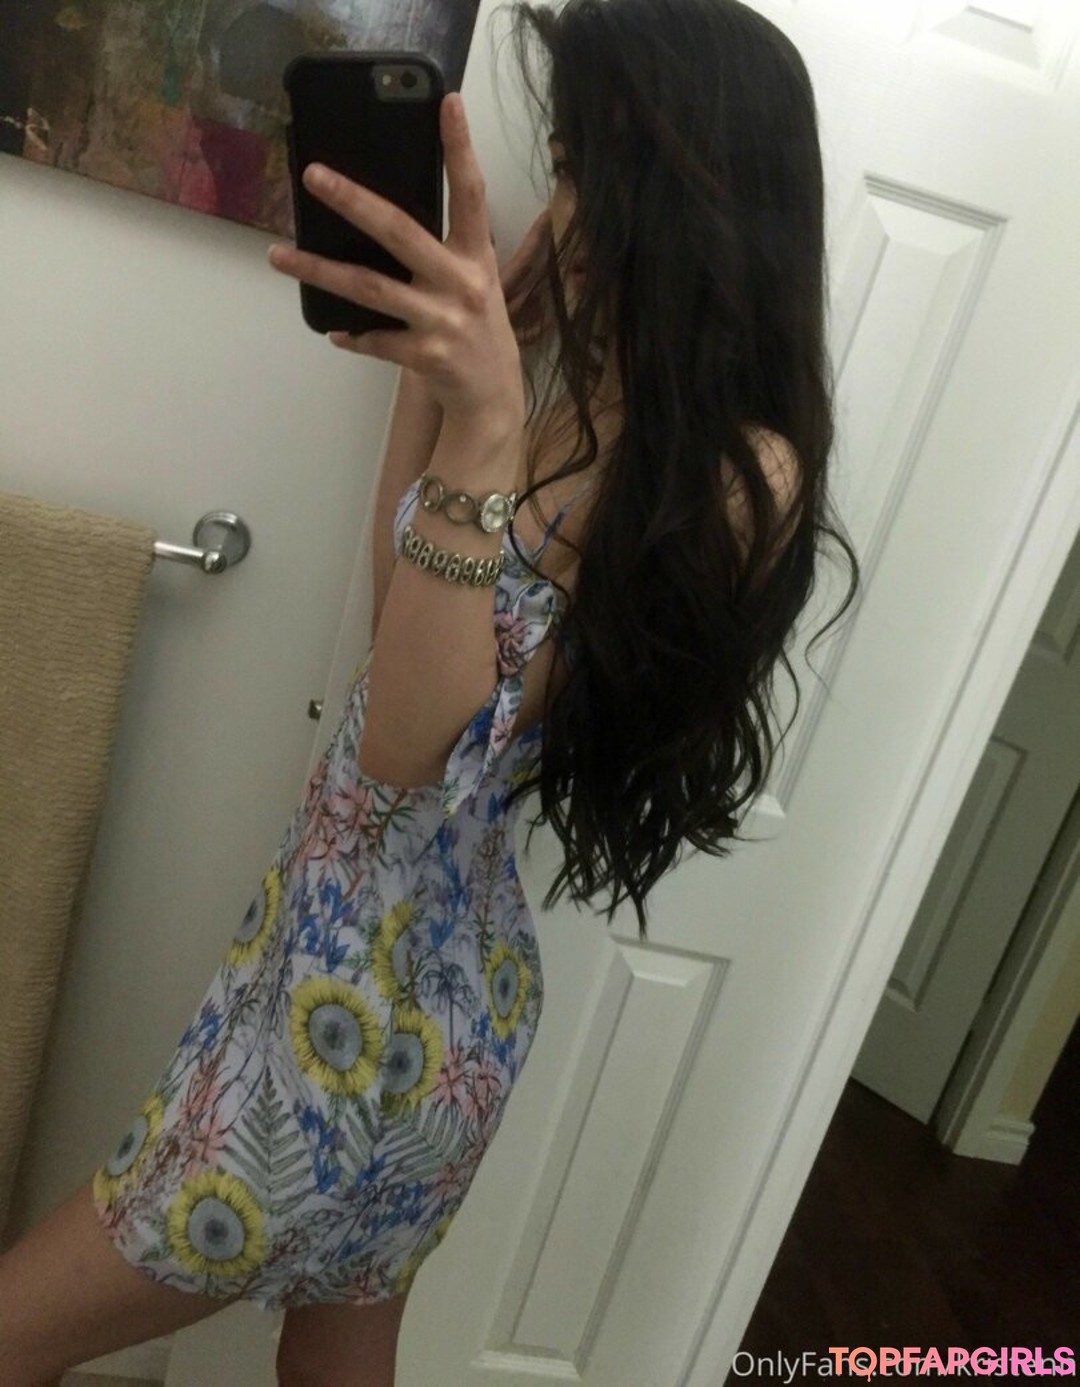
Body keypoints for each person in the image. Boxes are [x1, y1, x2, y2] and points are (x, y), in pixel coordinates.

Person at [0, 1, 858, 1383]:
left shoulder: (737, 468)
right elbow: (403, 611)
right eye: (564, 164)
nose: (564, 209)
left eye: (589, 168)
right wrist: (444, 387)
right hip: (347, 965)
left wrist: (491, 418)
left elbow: (407, 744)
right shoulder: (580, 406)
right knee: (333, 1365)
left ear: (692, 188)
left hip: (372, 1022)